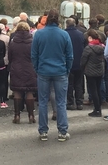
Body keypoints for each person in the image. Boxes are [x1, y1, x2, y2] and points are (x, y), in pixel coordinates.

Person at [31, 9, 73, 142]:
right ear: (58, 20)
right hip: (60, 70)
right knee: (61, 102)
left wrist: (37, 68)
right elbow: (70, 56)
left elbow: (34, 55)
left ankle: (43, 131)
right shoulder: (64, 35)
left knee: (43, 102)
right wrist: (67, 69)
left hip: (43, 70)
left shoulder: (39, 34)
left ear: (47, 19)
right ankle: (62, 131)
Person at [8, 22, 37, 124]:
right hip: (30, 68)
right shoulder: (33, 42)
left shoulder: (13, 42)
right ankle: (31, 115)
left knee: (17, 92)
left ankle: (17, 115)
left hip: (16, 68)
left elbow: (10, 57)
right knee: (29, 91)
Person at [80, 29, 105, 117]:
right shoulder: (102, 46)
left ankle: (97, 110)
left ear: (90, 38)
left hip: (90, 71)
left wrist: (82, 69)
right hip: (100, 71)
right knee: (98, 90)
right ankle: (99, 108)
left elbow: (83, 61)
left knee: (93, 91)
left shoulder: (88, 48)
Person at [65, 18, 85, 111]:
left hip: (68, 62)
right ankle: (79, 102)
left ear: (66, 24)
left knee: (69, 84)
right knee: (78, 84)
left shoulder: (64, 34)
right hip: (79, 62)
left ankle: (70, 103)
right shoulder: (81, 34)